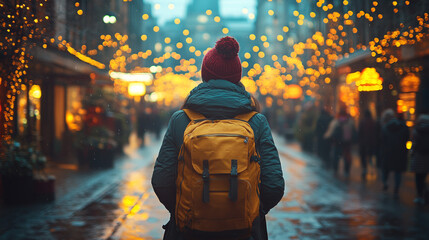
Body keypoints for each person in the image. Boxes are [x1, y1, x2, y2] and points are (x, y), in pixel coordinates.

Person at [151, 36, 284, 240]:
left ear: (205, 75)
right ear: (237, 77)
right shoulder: (256, 122)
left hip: (188, 232)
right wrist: (250, 211)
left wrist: (186, 211)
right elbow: (273, 185)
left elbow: (162, 181)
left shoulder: (181, 120)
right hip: (245, 233)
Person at [380, 109, 409, 197]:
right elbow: (406, 139)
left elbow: (382, 141)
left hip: (388, 152)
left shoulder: (385, 128)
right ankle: (396, 188)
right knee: (398, 171)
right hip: (399, 152)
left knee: (385, 169)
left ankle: (385, 183)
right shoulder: (403, 127)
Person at [324, 105, 356, 177]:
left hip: (337, 143)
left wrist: (327, 138)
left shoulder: (335, 122)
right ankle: (346, 171)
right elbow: (353, 132)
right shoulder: (350, 122)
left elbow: (329, 133)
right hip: (347, 143)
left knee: (336, 157)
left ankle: (335, 170)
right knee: (347, 158)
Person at [410, 112, 429, 204]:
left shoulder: (416, 130)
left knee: (418, 177)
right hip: (427, 157)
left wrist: (412, 152)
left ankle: (420, 195)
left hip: (418, 156)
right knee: (424, 175)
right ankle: (425, 191)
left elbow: (413, 144)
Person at [358, 109, 376, 180]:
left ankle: (365, 168)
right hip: (371, 143)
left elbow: (359, 133)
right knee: (369, 156)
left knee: (363, 157)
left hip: (363, 143)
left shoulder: (362, 122)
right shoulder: (373, 122)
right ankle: (370, 167)